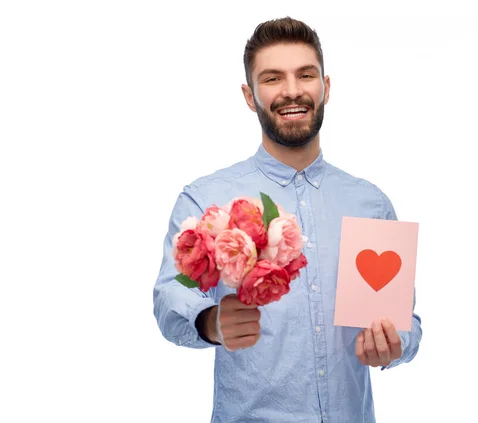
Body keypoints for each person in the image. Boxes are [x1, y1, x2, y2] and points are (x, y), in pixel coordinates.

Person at [153, 16, 422, 422]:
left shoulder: (370, 203)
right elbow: (170, 298)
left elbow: (408, 324)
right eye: (273, 78)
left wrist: (395, 344)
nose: (292, 91)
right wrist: (210, 322)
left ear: (325, 87)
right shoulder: (206, 199)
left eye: (306, 75)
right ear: (250, 95)